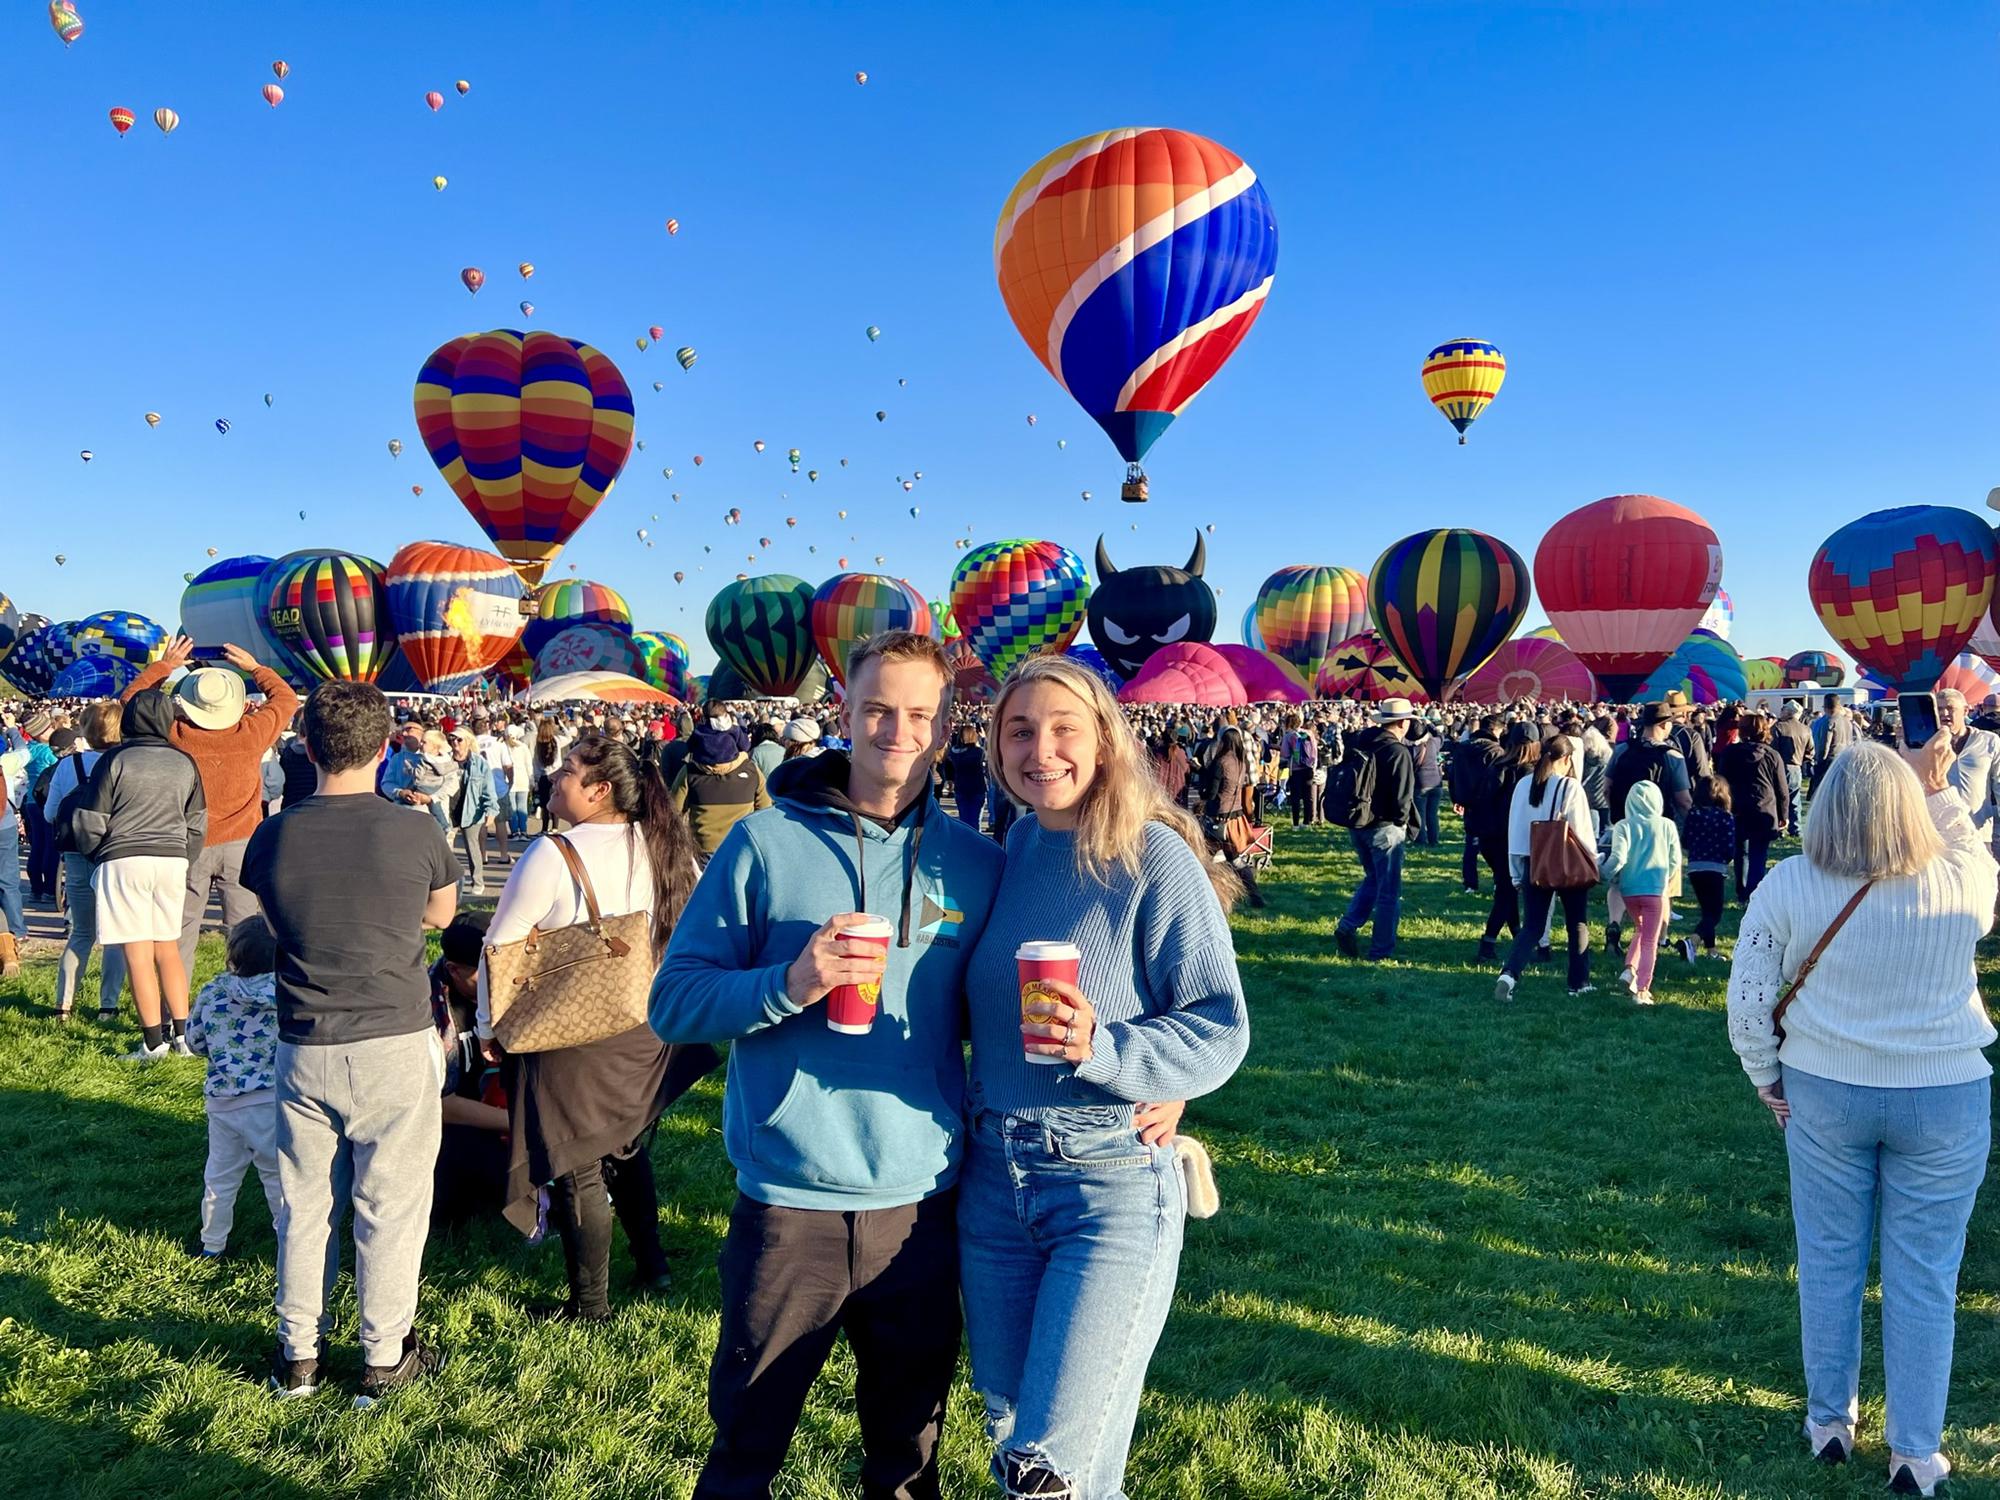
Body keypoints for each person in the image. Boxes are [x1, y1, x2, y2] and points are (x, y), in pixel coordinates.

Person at [650, 630, 1005, 1500]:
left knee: (907, 1457)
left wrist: (1154, 1085)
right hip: (789, 1203)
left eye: (919, 714)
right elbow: (674, 1002)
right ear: (842, 712)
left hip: (920, 1207)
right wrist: (790, 981)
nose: (896, 730)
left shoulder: (978, 863)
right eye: (877, 708)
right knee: (745, 1452)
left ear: (945, 724)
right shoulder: (765, 843)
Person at [961, 653, 1247, 1499]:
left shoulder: (1152, 856)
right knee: (1022, 1436)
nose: (1039, 749)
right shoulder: (1011, 847)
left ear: (1105, 740)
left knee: (1045, 1470)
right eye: (1019, 730)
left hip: (1108, 1181)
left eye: (1062, 729)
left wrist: (1111, 1051)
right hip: (991, 1185)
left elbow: (1218, 1025)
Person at [1726, 738, 1994, 1496]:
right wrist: (1939, 786)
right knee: (1925, 1276)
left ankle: (1829, 1424)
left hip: (1825, 1089)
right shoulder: (1957, 881)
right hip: (1943, 1095)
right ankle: (1914, 1449)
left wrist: (1764, 1078)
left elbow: (1747, 1003)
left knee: (1830, 1259)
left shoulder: (1787, 883)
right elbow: (1978, 857)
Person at [241, 680, 459, 1403]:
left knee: (305, 1205)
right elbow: (439, 916)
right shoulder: (415, 829)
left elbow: (270, 924)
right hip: (391, 1035)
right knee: (389, 1204)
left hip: (304, 1038)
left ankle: (298, 1353)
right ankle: (383, 1355)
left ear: (306, 746)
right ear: (388, 743)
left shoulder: (274, 833)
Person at [476, 736, 716, 1320]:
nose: (555, 778)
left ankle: (590, 1305)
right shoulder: (665, 844)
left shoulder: (553, 853)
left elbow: (499, 948)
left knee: (576, 1166)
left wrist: (488, 1025)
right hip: (646, 1026)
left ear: (599, 789)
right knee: (626, 1149)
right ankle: (653, 1263)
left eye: (567, 772)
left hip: (571, 1029)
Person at [120, 636, 301, 978]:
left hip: (188, 841)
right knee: (247, 930)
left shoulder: (174, 734)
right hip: (242, 843)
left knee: (181, 932)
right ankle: (247, 1002)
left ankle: (176, 1013)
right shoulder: (251, 731)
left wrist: (165, 666)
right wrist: (254, 667)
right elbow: (286, 699)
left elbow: (131, 703)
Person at [67, 690, 208, 1060]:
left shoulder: (115, 759)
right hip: (173, 859)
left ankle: (152, 1043)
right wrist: (184, 857)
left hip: (124, 858)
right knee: (168, 948)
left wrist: (97, 854)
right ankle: (182, 1035)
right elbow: (197, 823)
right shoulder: (185, 761)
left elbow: (90, 819)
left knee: (137, 951)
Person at [187, 915, 282, 1258]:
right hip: (271, 1103)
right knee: (277, 1179)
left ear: (233, 957)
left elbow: (195, 1042)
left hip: (223, 1103)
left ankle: (212, 1244)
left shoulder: (213, 991)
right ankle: (290, 1245)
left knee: (220, 1179)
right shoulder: (288, 993)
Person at [1493, 735, 1598, 1000]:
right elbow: (1583, 833)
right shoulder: (1571, 788)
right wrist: (1593, 864)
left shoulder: (1524, 785)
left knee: (1532, 926)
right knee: (1577, 924)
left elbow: (1515, 832)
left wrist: (1516, 871)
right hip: (1566, 862)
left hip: (1533, 862)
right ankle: (1579, 982)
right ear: (1566, 759)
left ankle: (1509, 974)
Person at [42, 702, 129, 1019]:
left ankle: (63, 1005)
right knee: (116, 936)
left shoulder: (69, 766)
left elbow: (51, 813)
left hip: (76, 853)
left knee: (81, 933)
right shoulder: (124, 763)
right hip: (113, 853)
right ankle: (109, 1005)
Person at [428, 914, 509, 1230]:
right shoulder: (429, 1008)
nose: (498, 985)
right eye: (485, 977)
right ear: (453, 970)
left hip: (502, 1107)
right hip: (453, 1126)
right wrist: (518, 1123)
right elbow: (441, 1105)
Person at [1332, 698, 1419, 961]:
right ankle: (1381, 949)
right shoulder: (1397, 752)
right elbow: (1404, 798)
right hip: (1385, 826)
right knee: (1389, 892)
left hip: (1358, 822)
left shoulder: (1361, 743)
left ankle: (1348, 925)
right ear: (1403, 723)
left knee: (1373, 878)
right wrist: (1403, 823)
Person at [1601, 780, 1682, 1006]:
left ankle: (1629, 970)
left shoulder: (1623, 826)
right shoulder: (1666, 826)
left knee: (1640, 929)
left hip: (1629, 890)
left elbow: (1618, 858)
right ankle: (1643, 989)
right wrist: (1664, 878)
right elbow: (1675, 859)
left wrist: (1602, 874)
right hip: (1654, 890)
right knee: (1650, 940)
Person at [1467, 724, 1537, 961]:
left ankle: (1516, 933)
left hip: (1489, 838)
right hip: (1511, 839)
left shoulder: (1496, 767)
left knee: (1507, 888)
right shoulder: (1527, 773)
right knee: (1508, 891)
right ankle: (1488, 941)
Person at [671, 713, 772, 863]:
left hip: (704, 849)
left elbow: (674, 810)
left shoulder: (689, 772)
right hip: (741, 847)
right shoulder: (751, 771)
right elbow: (765, 810)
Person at [1717, 713, 1790, 902]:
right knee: (1759, 852)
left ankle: (1742, 891)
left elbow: (1721, 780)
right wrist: (1784, 813)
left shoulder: (1730, 753)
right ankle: (1754, 890)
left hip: (1737, 807)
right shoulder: (1772, 755)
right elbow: (1782, 787)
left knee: (1741, 852)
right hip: (1763, 808)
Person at [1449, 713, 1507, 895]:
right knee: (1495, 845)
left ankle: (1470, 882)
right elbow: (1499, 780)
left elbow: (1453, 775)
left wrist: (1457, 798)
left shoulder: (1462, 748)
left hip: (1469, 803)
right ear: (1494, 730)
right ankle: (1499, 880)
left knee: (1471, 844)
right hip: (1490, 803)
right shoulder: (1496, 751)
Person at [1680, 774, 1736, 961]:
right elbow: (1729, 846)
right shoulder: (1725, 817)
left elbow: (1686, 840)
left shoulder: (1693, 814)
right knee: (1715, 913)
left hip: (1695, 866)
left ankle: (1711, 950)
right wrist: (1726, 858)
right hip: (1715, 868)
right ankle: (1693, 941)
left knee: (1706, 910)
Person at [441, 725, 501, 895]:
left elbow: (488, 789)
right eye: (451, 739)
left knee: (472, 847)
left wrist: (491, 810)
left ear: (468, 741)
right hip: (448, 809)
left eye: (459, 739)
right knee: (445, 848)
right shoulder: (445, 760)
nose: (455, 743)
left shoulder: (479, 763)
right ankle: (449, 884)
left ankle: (478, 881)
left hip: (471, 809)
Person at [1937, 687, 2000, 847]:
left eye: (1950, 708)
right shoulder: (1927, 744)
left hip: (1977, 831)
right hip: (1938, 833)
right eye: (1939, 709)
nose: (1944, 714)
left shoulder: (1988, 741)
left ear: (1965, 710)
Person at [1770, 702, 1814, 832]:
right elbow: (1811, 751)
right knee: (1795, 799)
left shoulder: (1779, 727)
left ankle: (1779, 827)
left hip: (1781, 767)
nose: (1781, 711)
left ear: (1789, 712)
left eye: (1783, 709)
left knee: (1779, 798)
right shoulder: (1806, 729)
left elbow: (1772, 749)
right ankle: (1796, 828)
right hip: (1797, 767)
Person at [945, 722, 988, 829]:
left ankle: (966, 840)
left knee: (964, 819)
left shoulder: (953, 753)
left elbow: (948, 767)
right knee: (975, 820)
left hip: (961, 787)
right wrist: (983, 739)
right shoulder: (978, 752)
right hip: (977, 787)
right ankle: (975, 842)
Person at [1280, 710, 1318, 828]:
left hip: (1295, 769)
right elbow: (1314, 751)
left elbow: (1285, 754)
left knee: (1295, 797)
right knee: (1308, 797)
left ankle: (1295, 823)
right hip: (1308, 768)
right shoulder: (1309, 734)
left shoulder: (1288, 736)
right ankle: (1307, 822)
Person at [1409, 719, 1444, 845]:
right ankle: (1434, 840)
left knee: (1420, 814)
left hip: (1420, 783)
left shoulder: (1411, 749)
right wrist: (1430, 724)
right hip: (1436, 782)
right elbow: (1441, 735)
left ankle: (1421, 840)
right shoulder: (1434, 743)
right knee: (1433, 814)